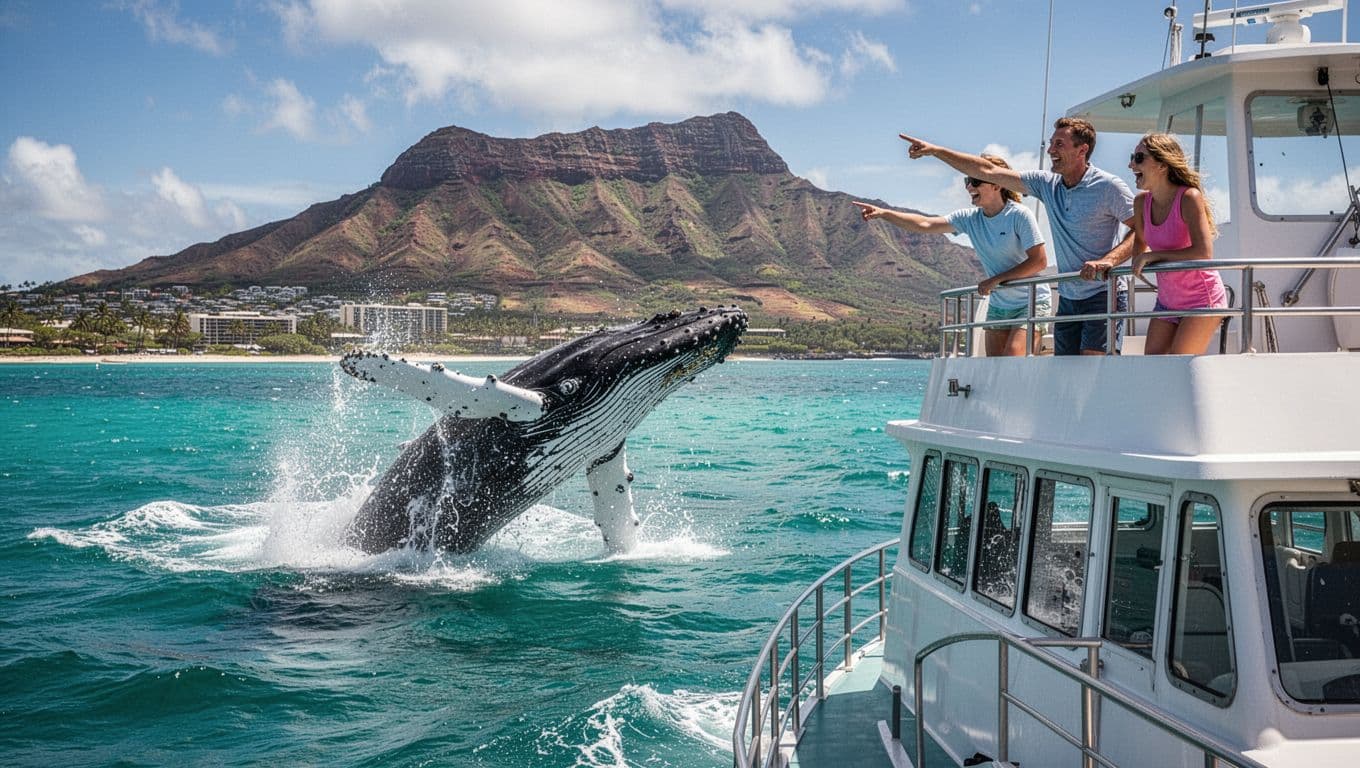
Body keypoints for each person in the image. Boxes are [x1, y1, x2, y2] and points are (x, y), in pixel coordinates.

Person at [901, 118, 1136, 355]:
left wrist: (1110, 261)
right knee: (1068, 372)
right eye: (1052, 143)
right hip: (1068, 296)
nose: (1052, 150)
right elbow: (988, 171)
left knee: (1091, 364)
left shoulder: (1109, 187)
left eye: (1059, 144)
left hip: (1104, 293)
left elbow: (1141, 230)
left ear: (1082, 150)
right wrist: (935, 151)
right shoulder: (1047, 184)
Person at [853, 155, 1050, 356]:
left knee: (1012, 359)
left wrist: (995, 280)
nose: (968, 187)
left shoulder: (1019, 215)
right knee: (995, 366)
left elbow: (1039, 261)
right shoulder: (969, 219)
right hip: (1000, 304)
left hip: (1031, 301)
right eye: (967, 181)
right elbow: (925, 224)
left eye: (975, 181)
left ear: (997, 184)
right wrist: (883, 214)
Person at [1127, 133, 1227, 355]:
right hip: (1167, 301)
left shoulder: (1189, 197)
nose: (1131, 164)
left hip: (1202, 299)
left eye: (1139, 158)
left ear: (1162, 165)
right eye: (1132, 157)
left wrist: (1153, 257)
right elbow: (1140, 245)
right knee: (1153, 366)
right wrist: (1138, 259)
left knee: (1179, 363)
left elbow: (1203, 252)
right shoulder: (1141, 202)